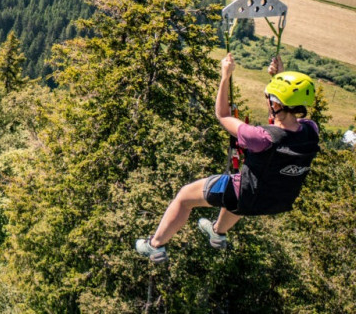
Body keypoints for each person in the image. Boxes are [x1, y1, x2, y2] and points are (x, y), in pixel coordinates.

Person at [135, 54, 319, 263]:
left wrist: (225, 76)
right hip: (276, 200)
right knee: (241, 192)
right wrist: (278, 78)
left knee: (185, 197)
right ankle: (217, 233)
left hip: (246, 195)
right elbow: (284, 122)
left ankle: (155, 245)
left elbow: (223, 115)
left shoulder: (261, 138)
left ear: (276, 103)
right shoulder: (311, 131)